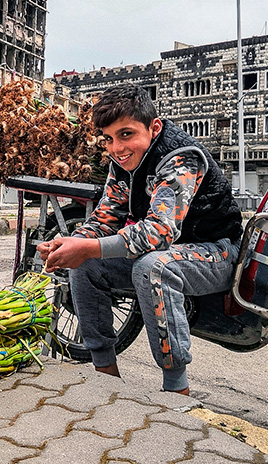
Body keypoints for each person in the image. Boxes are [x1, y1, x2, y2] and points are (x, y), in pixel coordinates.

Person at [38, 84, 242, 394]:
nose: (117, 148)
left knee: (151, 267)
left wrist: (88, 247)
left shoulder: (180, 157)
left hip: (217, 252)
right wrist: (72, 244)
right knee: (87, 264)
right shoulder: (121, 164)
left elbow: (159, 231)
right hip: (169, 252)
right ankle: (106, 376)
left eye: (126, 134)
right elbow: (105, 218)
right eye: (108, 139)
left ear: (154, 127)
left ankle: (177, 389)